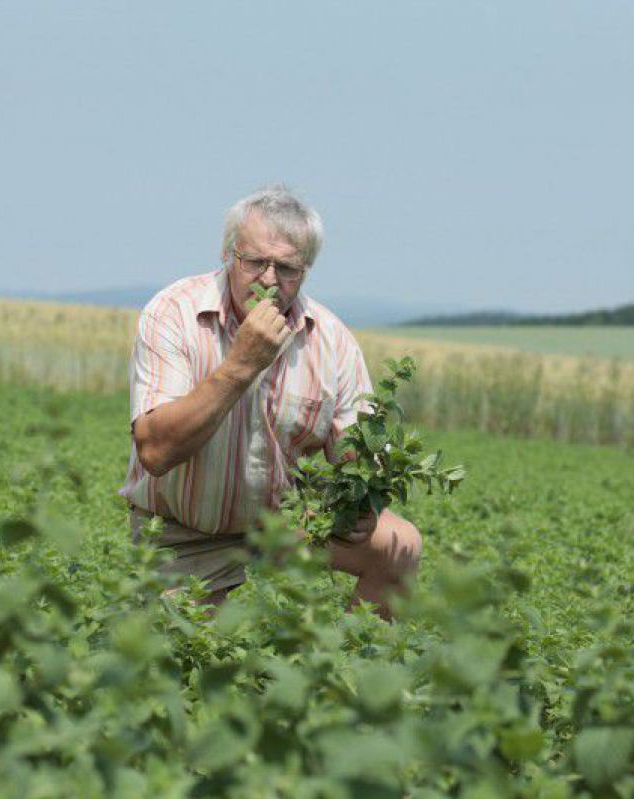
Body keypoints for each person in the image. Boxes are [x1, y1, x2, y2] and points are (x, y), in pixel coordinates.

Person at [120, 185, 422, 621]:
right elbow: (155, 451)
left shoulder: (331, 339)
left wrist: (363, 501)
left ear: (305, 271)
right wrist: (241, 365)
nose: (268, 280)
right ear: (229, 255)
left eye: (287, 268)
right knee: (182, 665)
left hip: (285, 525)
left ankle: (353, 674)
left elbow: (359, 454)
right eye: (255, 262)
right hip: (182, 534)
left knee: (399, 545)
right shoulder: (173, 314)